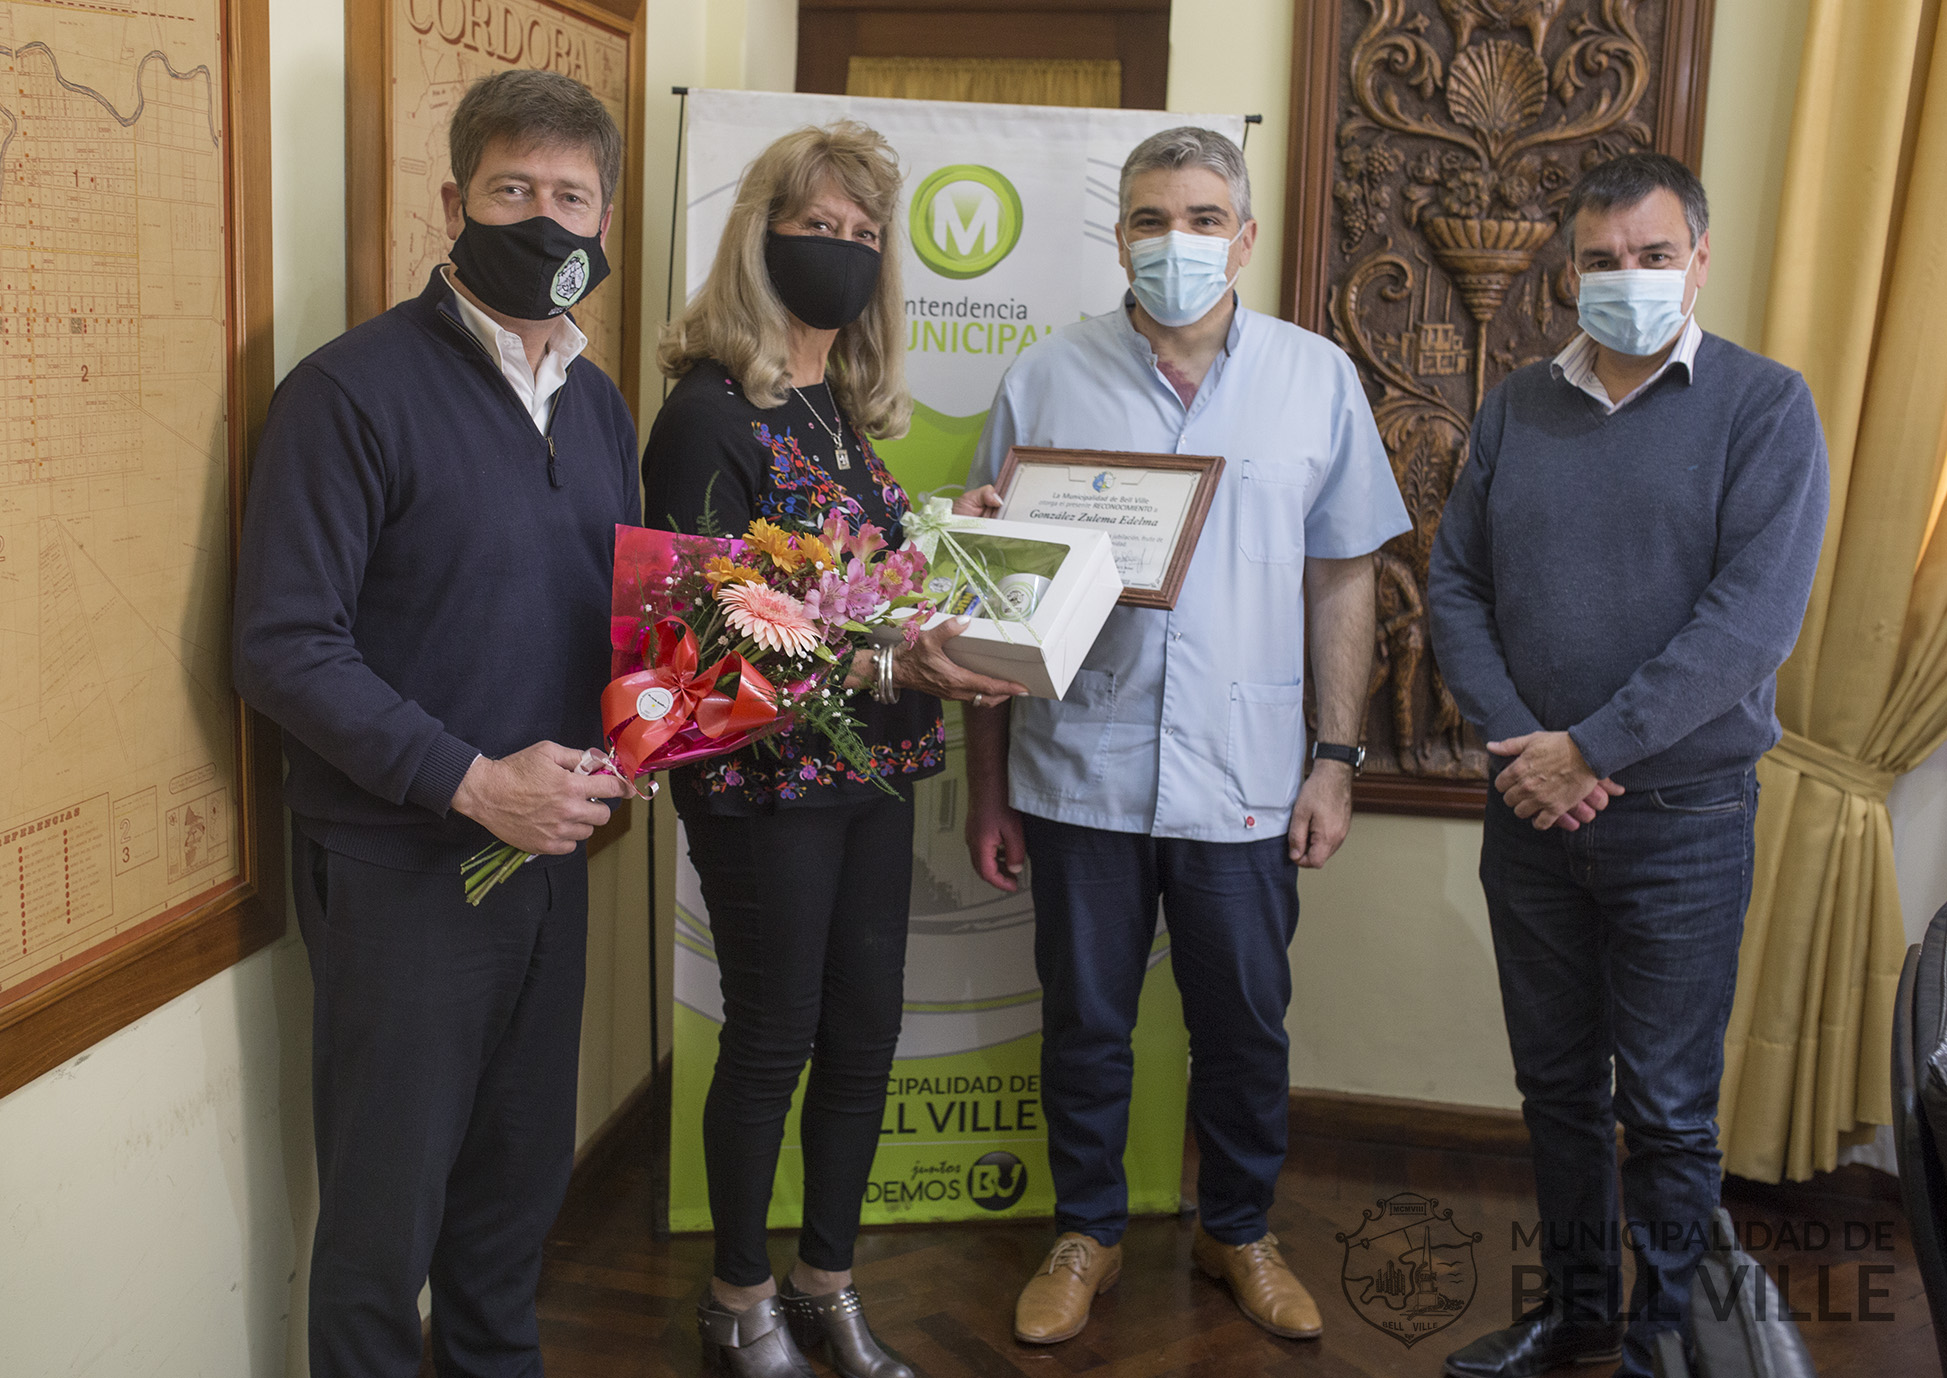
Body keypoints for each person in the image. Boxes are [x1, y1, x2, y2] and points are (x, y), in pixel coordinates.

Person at [956, 126, 1411, 1348]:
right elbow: (992, 597)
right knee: (1085, 1021)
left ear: (1244, 238)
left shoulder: (1315, 379)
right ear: (1119, 239)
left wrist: (1335, 760)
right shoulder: (1047, 378)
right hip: (1079, 769)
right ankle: (1086, 1232)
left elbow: (1343, 576)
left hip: (1247, 778)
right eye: (1152, 220)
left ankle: (1239, 1229)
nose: (1178, 242)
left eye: (1205, 219)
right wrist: (986, 789)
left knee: (1245, 1024)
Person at [232, 71, 636, 1377]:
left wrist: (647, 733)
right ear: (455, 202)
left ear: (605, 217)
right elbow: (283, 644)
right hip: (403, 869)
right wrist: (473, 782)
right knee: (380, 1228)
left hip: (550, 865)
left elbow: (614, 620)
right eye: (513, 189)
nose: (544, 218)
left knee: (512, 1205)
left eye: (570, 195)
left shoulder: (601, 402)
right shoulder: (349, 392)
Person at [1427, 151, 1829, 1378]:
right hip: (1529, 812)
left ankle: (1667, 1346)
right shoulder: (1515, 408)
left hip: (1683, 819)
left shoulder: (1766, 407)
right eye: (1601, 259)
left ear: (1700, 259)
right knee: (1555, 1087)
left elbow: (1749, 625)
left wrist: (1589, 751)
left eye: (1654, 255)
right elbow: (1455, 587)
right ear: (1568, 271)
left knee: (1664, 1106)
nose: (1628, 276)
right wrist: (1530, 750)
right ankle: (1580, 1313)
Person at [643, 122, 1027, 1378]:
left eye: (865, 234)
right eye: (819, 227)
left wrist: (944, 541)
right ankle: (738, 1299)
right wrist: (886, 664)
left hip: (871, 772)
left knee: (864, 1035)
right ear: (762, 236)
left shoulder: (836, 410)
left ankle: (827, 1282)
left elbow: (855, 590)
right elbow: (704, 637)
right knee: (772, 1038)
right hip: (763, 785)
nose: (845, 251)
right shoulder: (706, 414)